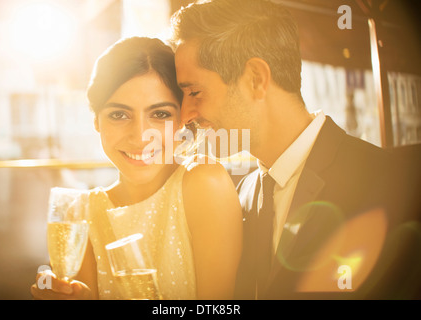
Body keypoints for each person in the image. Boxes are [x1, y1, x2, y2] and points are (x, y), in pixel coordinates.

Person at [171, 0, 410, 299]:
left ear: (256, 78)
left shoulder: (390, 183)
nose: (185, 116)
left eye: (194, 92)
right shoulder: (240, 195)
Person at [31, 37, 243, 300]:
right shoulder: (83, 214)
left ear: (181, 120)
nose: (140, 136)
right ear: (96, 120)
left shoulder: (204, 183)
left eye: (160, 114)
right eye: (119, 115)